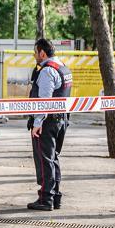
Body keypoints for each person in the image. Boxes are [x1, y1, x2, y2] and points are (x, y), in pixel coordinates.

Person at [27, 38, 72, 211]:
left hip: (47, 122)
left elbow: (44, 101)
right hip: (61, 119)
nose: (34, 56)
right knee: (53, 159)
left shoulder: (47, 71)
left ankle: (46, 199)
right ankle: (55, 197)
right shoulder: (63, 67)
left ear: (42, 53)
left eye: (35, 52)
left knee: (45, 160)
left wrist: (37, 123)